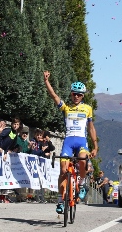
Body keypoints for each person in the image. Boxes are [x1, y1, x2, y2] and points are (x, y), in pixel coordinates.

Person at [43, 71, 98, 214]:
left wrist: (95, 146)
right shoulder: (66, 107)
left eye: (79, 94)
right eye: (74, 94)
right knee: (63, 170)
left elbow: (91, 128)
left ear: (83, 96)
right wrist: (46, 81)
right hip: (68, 142)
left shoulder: (87, 109)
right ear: (71, 94)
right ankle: (61, 201)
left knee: (83, 160)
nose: (76, 96)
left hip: (81, 142)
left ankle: (81, 184)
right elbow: (54, 96)